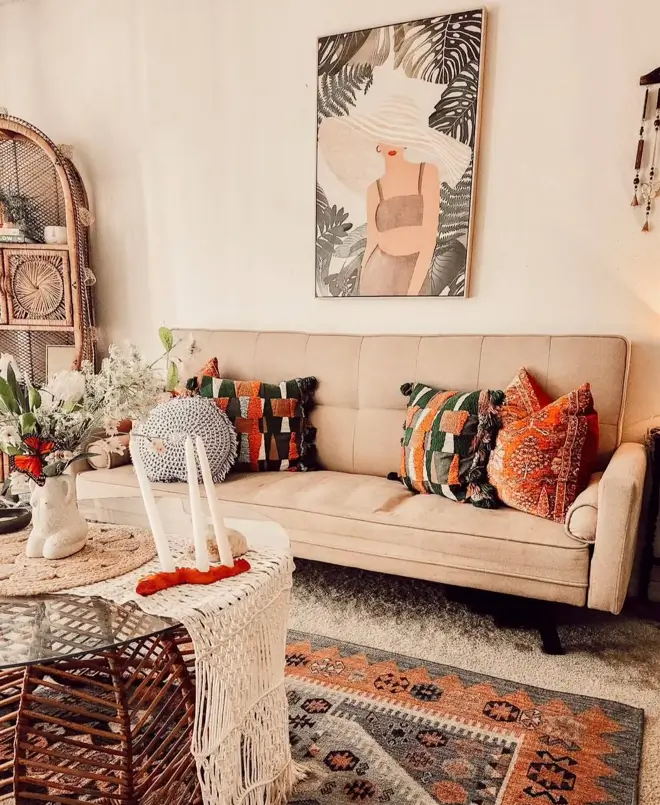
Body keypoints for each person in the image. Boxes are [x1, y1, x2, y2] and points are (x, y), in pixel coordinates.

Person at [318, 94, 472, 296]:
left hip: (414, 271)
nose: (392, 144)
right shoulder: (375, 188)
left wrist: (414, 288)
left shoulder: (426, 173)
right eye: (386, 135)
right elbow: (373, 240)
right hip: (377, 275)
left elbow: (428, 237)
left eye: (398, 136)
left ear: (407, 141)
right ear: (378, 143)